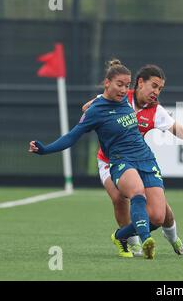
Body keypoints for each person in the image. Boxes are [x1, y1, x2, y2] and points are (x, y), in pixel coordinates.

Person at [29, 59, 165, 259]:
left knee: (158, 217)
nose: (123, 90)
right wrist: (45, 150)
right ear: (107, 82)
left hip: (145, 158)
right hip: (121, 160)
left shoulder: (127, 99)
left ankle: (120, 236)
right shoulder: (96, 111)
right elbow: (71, 136)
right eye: (119, 85)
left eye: (127, 86)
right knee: (136, 192)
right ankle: (146, 242)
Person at [82, 64, 183, 257]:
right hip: (109, 160)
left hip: (138, 160)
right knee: (120, 198)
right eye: (154, 86)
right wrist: (94, 106)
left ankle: (173, 238)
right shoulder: (120, 96)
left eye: (160, 88)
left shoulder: (156, 111)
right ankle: (132, 242)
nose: (156, 92)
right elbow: (87, 107)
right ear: (140, 83)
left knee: (161, 213)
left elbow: (180, 131)